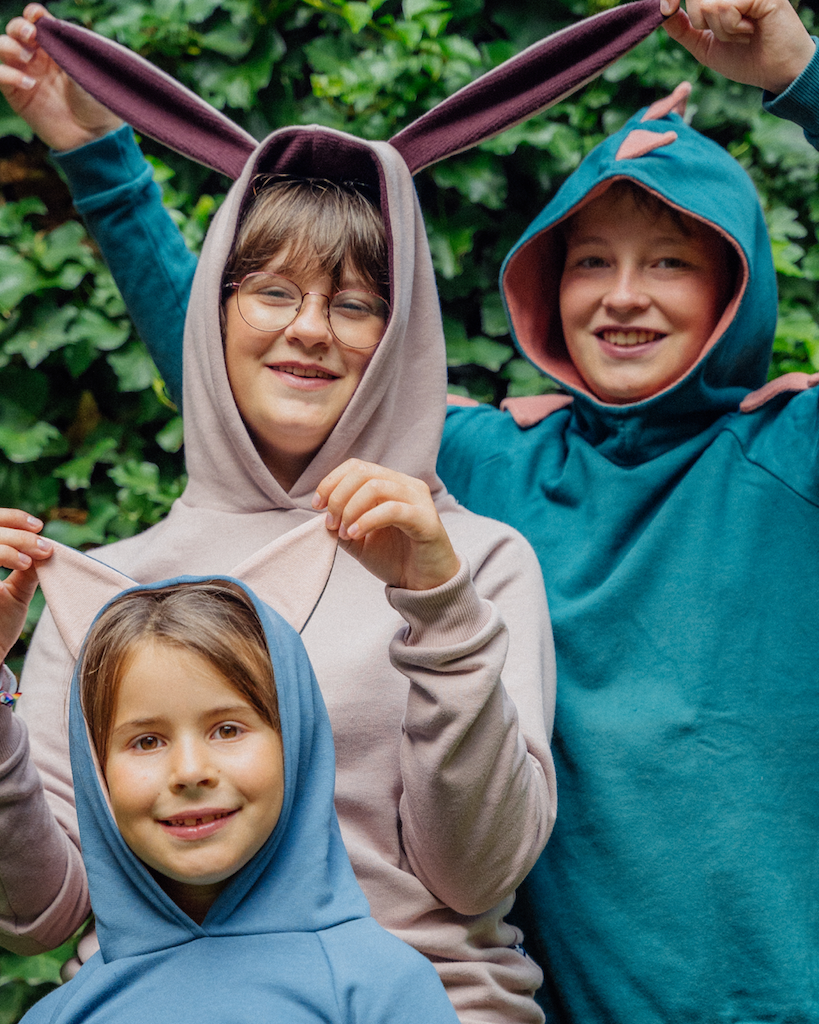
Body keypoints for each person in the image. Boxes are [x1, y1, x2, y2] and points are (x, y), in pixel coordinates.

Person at [5, 0, 819, 1021]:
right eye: (592, 262)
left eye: (670, 260)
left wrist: (799, 67)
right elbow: (264, 368)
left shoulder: (780, 448)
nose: (624, 297)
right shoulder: (492, 458)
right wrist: (104, 163)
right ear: (546, 284)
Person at [0, 11, 559, 1024]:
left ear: (398, 335)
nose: (309, 329)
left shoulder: (475, 560)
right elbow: (41, 913)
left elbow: (478, 876)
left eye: (353, 303)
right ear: (213, 314)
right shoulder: (105, 583)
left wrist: (436, 604)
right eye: (270, 291)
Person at [4, 564, 461, 1024]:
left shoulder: (383, 988)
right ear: (96, 771)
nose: (190, 771)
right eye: (146, 741)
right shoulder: (60, 1015)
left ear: (295, 745)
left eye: (227, 729)